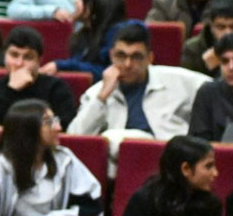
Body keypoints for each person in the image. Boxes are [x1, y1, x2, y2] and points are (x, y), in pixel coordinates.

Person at [68, 23, 211, 142]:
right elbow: (74, 138)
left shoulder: (179, 80)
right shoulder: (97, 93)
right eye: (121, 56)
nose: (128, 64)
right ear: (111, 56)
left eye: (136, 57)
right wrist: (102, 98)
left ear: (150, 58)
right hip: (121, 164)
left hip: (170, 157)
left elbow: (216, 90)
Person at [0, 26, 78, 129]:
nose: (19, 63)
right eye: (14, 55)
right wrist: (11, 91)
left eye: (28, 57)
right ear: (5, 56)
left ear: (39, 60)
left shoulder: (56, 88)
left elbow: (62, 124)